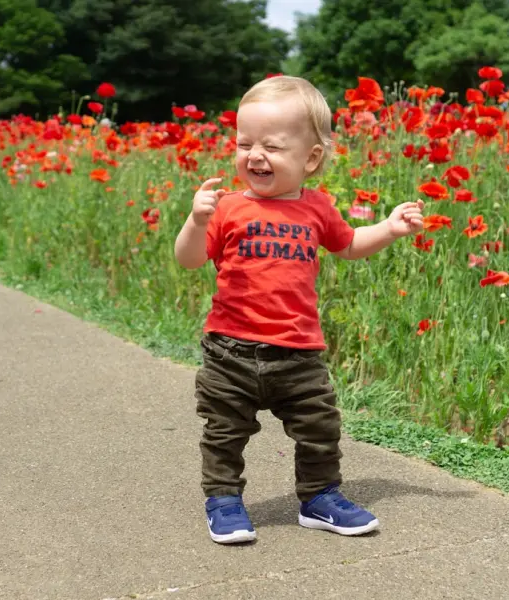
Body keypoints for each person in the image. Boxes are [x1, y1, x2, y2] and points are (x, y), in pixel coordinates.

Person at [174, 75, 424, 544]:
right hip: (230, 351)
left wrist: (389, 228)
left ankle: (319, 497)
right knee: (225, 430)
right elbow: (188, 259)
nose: (254, 155)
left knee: (319, 427)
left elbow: (349, 244)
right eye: (244, 143)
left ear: (311, 158)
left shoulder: (317, 208)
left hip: (298, 351)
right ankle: (223, 499)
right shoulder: (227, 208)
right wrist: (196, 220)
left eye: (271, 146)